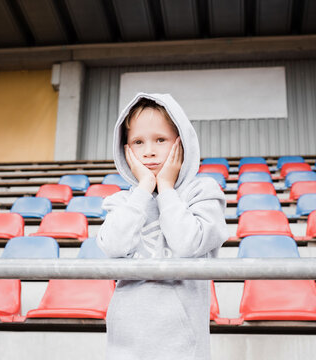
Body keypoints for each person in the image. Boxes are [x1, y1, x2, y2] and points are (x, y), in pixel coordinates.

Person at [97, 92, 229, 360]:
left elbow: (187, 244)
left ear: (181, 143)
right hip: (126, 342)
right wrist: (144, 187)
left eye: (160, 139)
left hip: (182, 344)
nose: (149, 151)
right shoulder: (122, 201)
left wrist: (166, 188)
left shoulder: (203, 193)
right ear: (126, 151)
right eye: (138, 142)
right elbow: (113, 246)